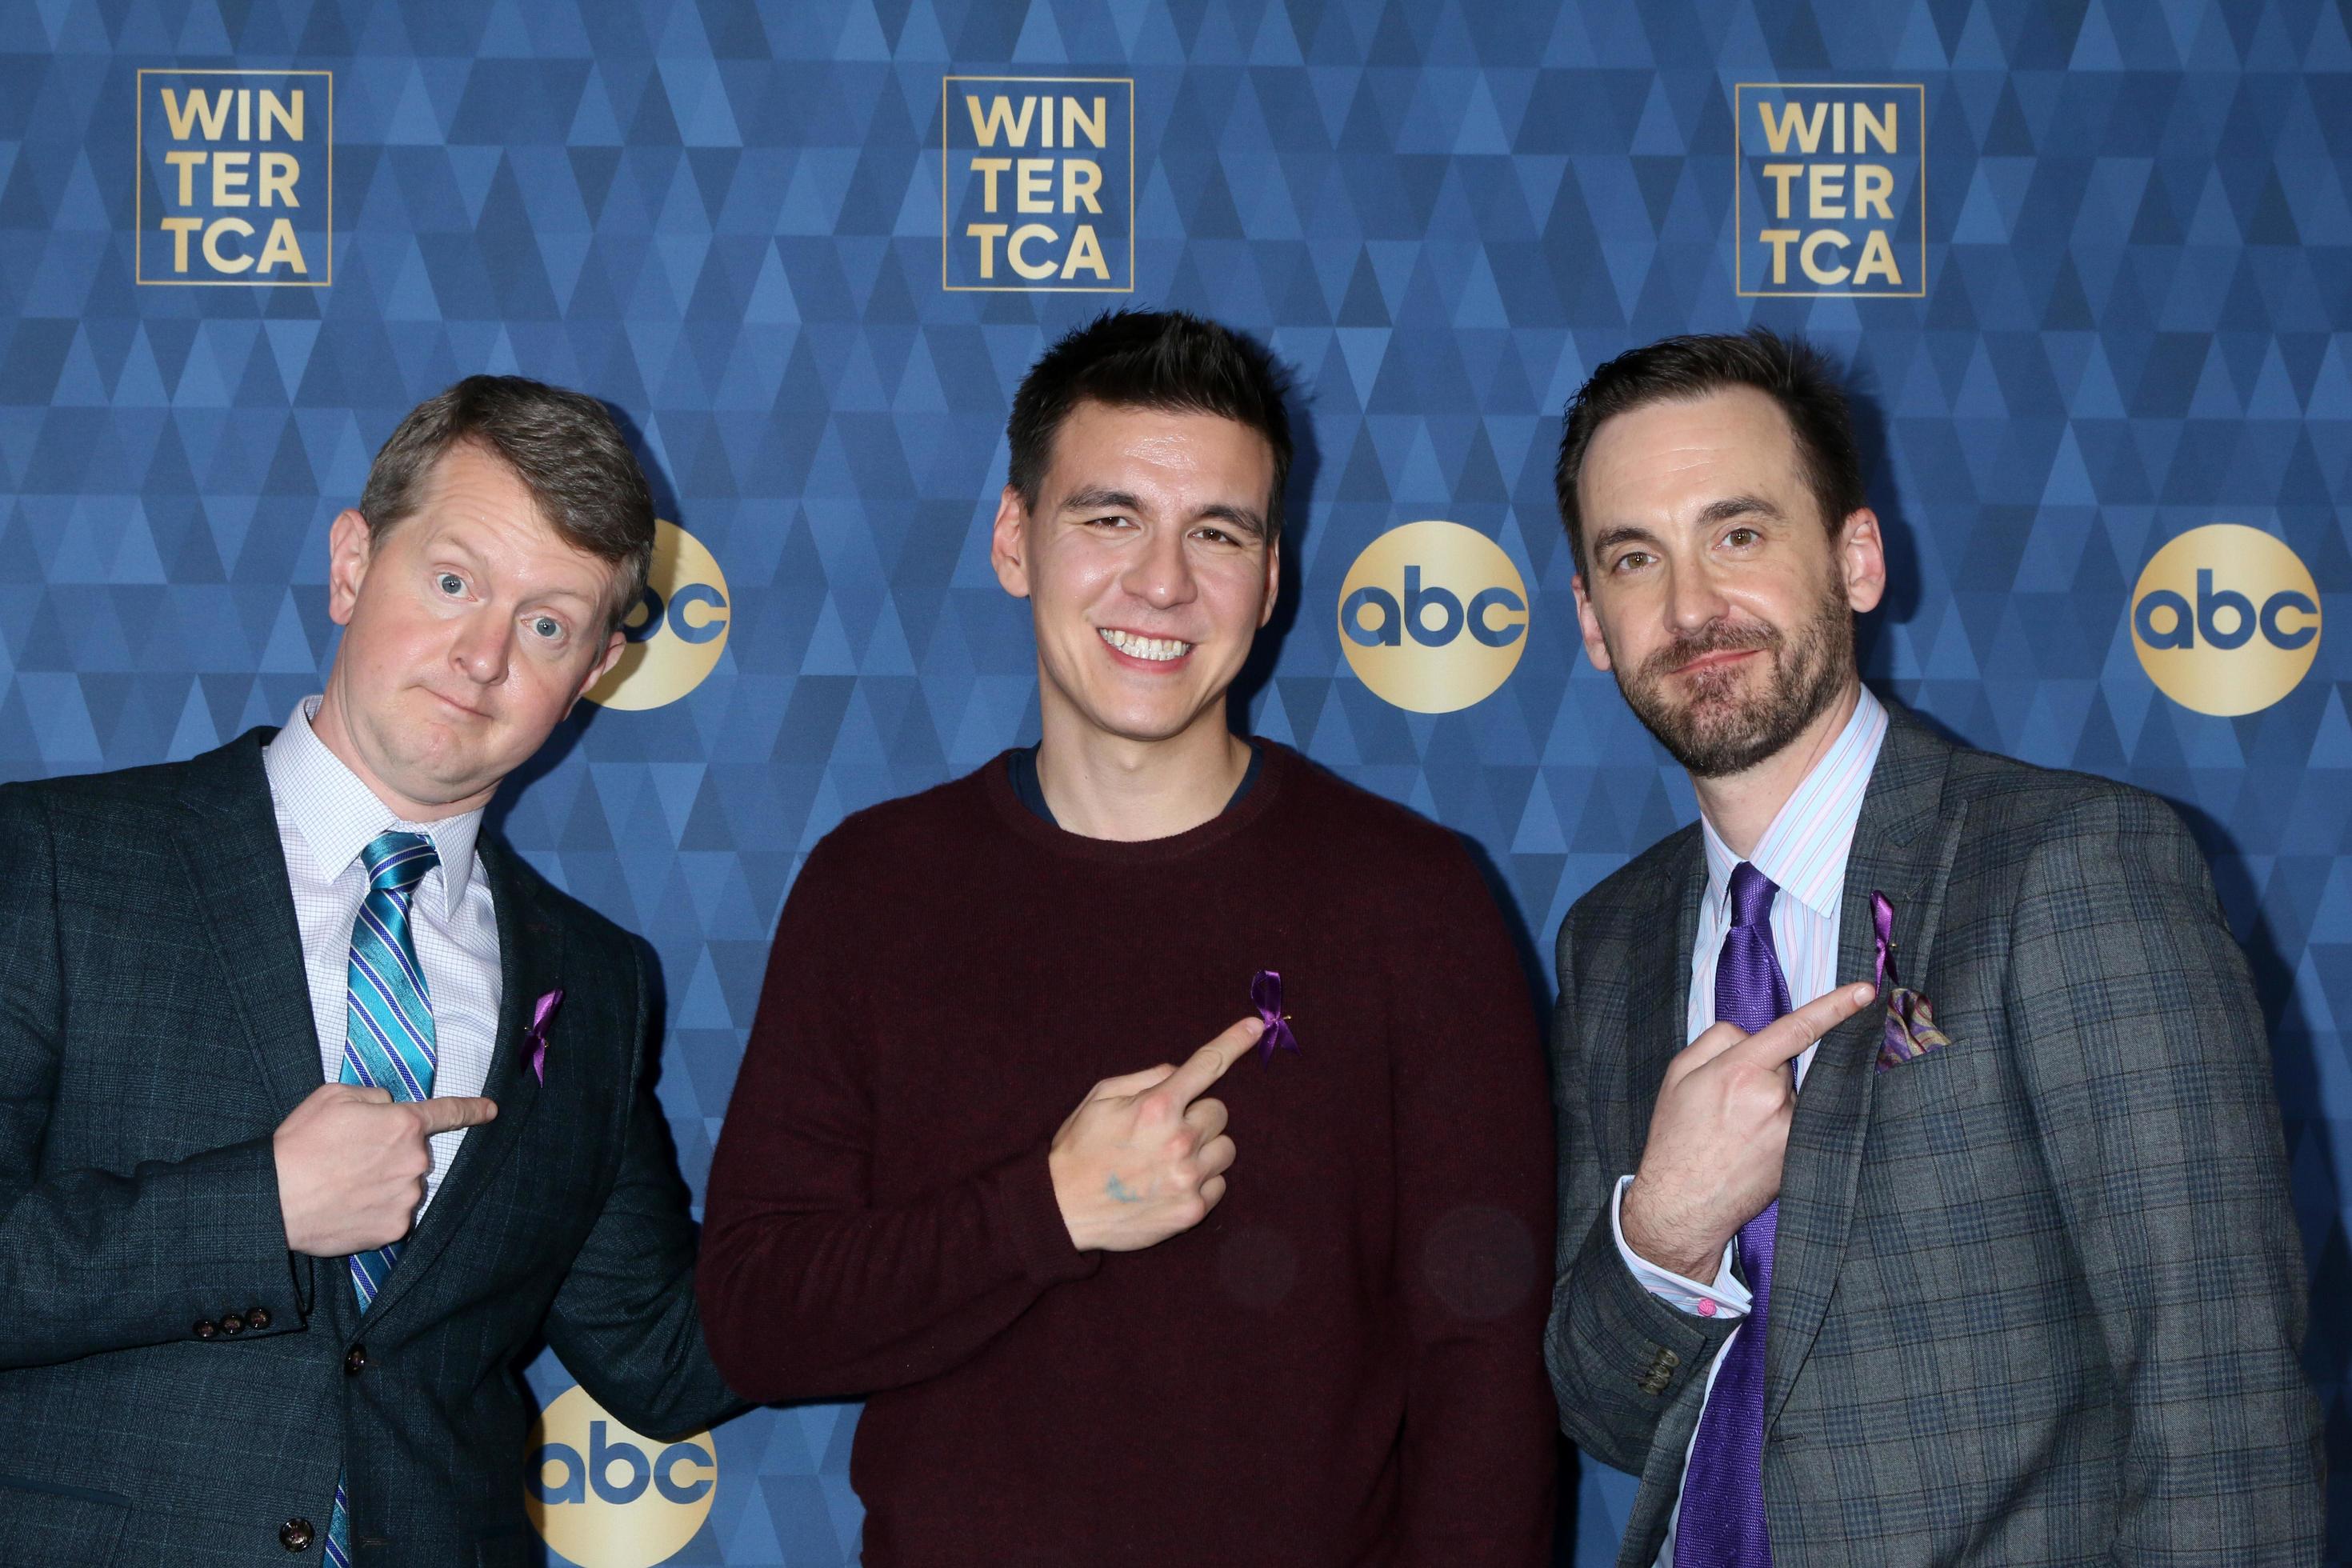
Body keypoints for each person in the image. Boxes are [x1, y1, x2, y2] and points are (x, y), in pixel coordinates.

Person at [699, 309, 1556, 1565]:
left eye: (1217, 532)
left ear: (1270, 580)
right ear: (1015, 541)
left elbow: (1486, 1375)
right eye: (1110, 518)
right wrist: (1045, 1211)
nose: (1162, 582)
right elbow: (757, 1320)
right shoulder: (875, 889)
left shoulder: (1413, 902)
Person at [1543, 327, 2322, 1565]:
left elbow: (2216, 1391)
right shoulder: (1614, 943)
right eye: (1636, 558)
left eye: (1739, 534)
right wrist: (1668, 1236)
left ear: (1855, 558)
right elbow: (1605, 1408)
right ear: (1591, 619)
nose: (1692, 607)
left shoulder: (2068, 866)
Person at [0, 376, 741, 1565]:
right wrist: (262, 1209)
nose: (482, 655)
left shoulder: (599, 982)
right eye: (453, 583)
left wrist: (1017, 1200)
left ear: (597, 669)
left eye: (548, 624)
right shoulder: (48, 863)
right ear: (353, 565)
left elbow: (664, 1352)